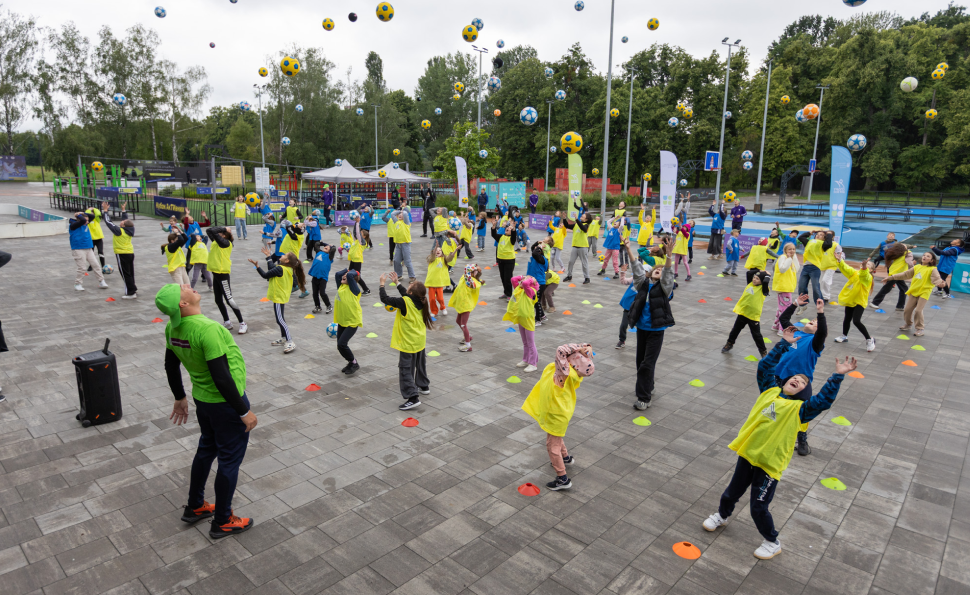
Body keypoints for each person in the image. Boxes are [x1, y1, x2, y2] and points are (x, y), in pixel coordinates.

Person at [702, 331, 855, 560]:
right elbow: (765, 367)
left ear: (804, 392)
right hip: (749, 453)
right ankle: (722, 516)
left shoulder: (800, 410)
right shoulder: (769, 391)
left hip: (769, 464)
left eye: (803, 382)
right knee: (731, 493)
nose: (798, 380)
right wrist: (783, 344)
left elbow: (823, 401)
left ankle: (772, 541)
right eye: (796, 378)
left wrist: (837, 376)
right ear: (785, 381)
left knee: (758, 507)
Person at [155, 283, 257, 539]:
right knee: (229, 461)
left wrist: (179, 396)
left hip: (204, 401)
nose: (187, 285)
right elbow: (221, 376)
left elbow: (170, 364)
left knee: (206, 449)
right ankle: (223, 520)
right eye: (182, 288)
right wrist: (243, 411)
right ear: (183, 303)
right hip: (226, 404)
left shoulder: (173, 327)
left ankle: (196, 505)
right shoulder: (208, 329)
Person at [522, 343, 595, 491]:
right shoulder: (575, 373)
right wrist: (587, 348)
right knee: (556, 436)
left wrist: (580, 347)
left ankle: (562, 479)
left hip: (556, 414)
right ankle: (566, 457)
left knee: (552, 445)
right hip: (563, 411)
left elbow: (561, 349)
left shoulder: (563, 374)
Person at [625, 238, 675, 409]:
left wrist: (669, 256)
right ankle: (649, 385)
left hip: (656, 330)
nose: (658, 270)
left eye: (661, 270)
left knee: (647, 363)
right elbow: (637, 268)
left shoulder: (664, 288)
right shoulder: (643, 283)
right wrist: (628, 249)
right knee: (641, 362)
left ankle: (644, 398)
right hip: (642, 329)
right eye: (656, 269)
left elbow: (668, 273)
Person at [775, 295, 827, 456]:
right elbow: (783, 319)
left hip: (801, 383)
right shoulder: (795, 333)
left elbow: (822, 333)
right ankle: (773, 431)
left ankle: (802, 439)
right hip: (779, 377)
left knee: (801, 412)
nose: (813, 321)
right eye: (812, 320)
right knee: (774, 406)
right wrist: (795, 304)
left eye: (816, 322)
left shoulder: (815, 342)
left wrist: (820, 313)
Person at [379, 272, 435, 410]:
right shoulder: (422, 300)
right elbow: (407, 294)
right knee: (420, 364)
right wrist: (397, 283)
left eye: (411, 285)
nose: (409, 284)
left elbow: (385, 299)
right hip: (419, 340)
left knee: (405, 369)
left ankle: (412, 397)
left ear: (411, 292)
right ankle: (424, 386)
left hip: (408, 342)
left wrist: (382, 284)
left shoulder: (405, 302)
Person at [249, 247, 306, 353]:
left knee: (280, 320)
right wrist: (268, 257)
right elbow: (272, 269)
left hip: (279, 297)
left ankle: (290, 341)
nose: (282, 255)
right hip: (281, 296)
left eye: (284, 255)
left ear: (287, 260)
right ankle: (284, 338)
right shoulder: (286, 268)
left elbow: (265, 275)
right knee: (280, 318)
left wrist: (257, 267)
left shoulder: (281, 269)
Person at [882, 251, 946, 337]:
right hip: (914, 291)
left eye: (928, 256)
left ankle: (920, 328)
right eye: (924, 255)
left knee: (918, 311)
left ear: (932, 260)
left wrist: (941, 284)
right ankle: (908, 324)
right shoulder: (916, 267)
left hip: (924, 292)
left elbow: (937, 279)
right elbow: (905, 274)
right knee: (907, 310)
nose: (925, 257)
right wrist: (891, 277)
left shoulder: (932, 269)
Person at [206, 226, 247, 334]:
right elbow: (209, 230)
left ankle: (242, 323)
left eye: (221, 233)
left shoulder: (226, 243)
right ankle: (227, 322)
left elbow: (213, 231)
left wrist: (224, 228)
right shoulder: (216, 241)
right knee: (218, 300)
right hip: (216, 273)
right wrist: (223, 229)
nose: (218, 234)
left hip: (222, 274)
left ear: (224, 235)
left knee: (229, 299)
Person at [722, 271, 771, 358]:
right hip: (743, 312)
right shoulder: (750, 284)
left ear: (762, 281)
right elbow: (749, 273)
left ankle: (763, 351)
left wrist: (767, 275)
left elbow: (766, 281)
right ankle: (729, 343)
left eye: (757, 279)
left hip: (753, 316)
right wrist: (759, 270)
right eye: (754, 277)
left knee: (756, 335)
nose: (754, 279)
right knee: (735, 330)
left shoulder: (763, 289)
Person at [833, 255, 876, 351]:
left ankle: (869, 339)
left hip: (859, 302)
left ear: (871, 270)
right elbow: (847, 269)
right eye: (865, 264)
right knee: (847, 318)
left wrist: (864, 268)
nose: (866, 265)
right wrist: (840, 260)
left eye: (868, 265)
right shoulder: (855, 273)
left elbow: (864, 276)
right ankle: (844, 336)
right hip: (851, 299)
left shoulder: (868, 277)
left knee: (856, 321)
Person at [504, 275, 540, 373]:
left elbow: (525, 283)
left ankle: (533, 364)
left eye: (525, 279)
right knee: (525, 342)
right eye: (523, 278)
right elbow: (513, 279)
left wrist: (531, 279)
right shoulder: (520, 289)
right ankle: (526, 359)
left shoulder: (530, 291)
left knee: (530, 343)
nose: (523, 280)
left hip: (528, 320)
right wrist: (523, 276)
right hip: (521, 319)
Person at [332, 268, 363, 374]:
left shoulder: (354, 290)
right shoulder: (341, 287)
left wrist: (354, 271)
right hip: (342, 321)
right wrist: (347, 269)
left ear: (352, 279)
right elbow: (337, 274)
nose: (344, 276)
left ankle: (354, 363)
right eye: (344, 275)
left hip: (352, 321)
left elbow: (350, 276)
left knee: (342, 344)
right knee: (339, 346)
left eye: (347, 275)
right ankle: (351, 362)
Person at [103, 201, 136, 299]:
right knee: (130, 273)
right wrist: (123, 211)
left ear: (124, 225)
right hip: (130, 253)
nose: (121, 222)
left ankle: (130, 293)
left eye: (122, 222)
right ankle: (133, 289)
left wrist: (105, 211)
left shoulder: (119, 231)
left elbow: (109, 222)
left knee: (125, 274)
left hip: (122, 254)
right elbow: (126, 221)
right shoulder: (130, 229)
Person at [448, 264, 484, 352]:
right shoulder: (465, 277)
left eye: (470, 272)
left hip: (466, 305)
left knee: (463, 324)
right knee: (458, 321)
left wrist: (471, 270)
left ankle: (468, 345)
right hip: (462, 304)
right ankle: (468, 337)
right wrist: (473, 268)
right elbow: (467, 272)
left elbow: (470, 281)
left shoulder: (474, 283)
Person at [69, 211, 108, 291]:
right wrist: (78, 215)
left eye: (87, 220)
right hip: (78, 249)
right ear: (79, 219)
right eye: (86, 220)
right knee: (82, 268)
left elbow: (92, 217)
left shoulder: (85, 223)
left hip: (88, 249)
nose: (87, 222)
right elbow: (83, 220)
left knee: (96, 265)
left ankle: (101, 281)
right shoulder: (73, 225)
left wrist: (82, 212)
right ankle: (78, 284)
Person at [871, 241, 912, 312]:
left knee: (904, 288)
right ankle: (874, 302)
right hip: (896, 274)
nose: (905, 246)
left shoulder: (899, 254)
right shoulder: (906, 253)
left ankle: (900, 306)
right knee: (887, 288)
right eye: (904, 245)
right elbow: (909, 261)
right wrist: (913, 267)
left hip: (897, 273)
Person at [771, 243, 800, 334]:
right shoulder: (783, 257)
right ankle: (782, 329)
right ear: (785, 250)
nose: (792, 251)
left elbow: (797, 269)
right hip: (784, 287)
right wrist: (789, 258)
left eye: (793, 249)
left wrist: (793, 257)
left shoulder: (790, 259)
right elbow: (782, 269)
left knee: (781, 307)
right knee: (786, 309)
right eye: (790, 249)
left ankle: (776, 325)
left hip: (786, 287)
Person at [425, 241, 460, 316]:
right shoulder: (431, 259)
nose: (438, 251)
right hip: (431, 282)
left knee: (440, 298)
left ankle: (443, 307)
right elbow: (432, 256)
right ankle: (434, 311)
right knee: (432, 299)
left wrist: (456, 250)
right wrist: (435, 247)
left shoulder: (444, 259)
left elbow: (450, 258)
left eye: (440, 250)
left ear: (442, 252)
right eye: (436, 250)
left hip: (439, 282)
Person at [796, 231, 827, 302]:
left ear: (824, 238)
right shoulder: (809, 242)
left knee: (815, 287)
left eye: (821, 235)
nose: (818, 235)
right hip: (806, 267)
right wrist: (809, 233)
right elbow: (801, 237)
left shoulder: (823, 244)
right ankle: (803, 303)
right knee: (801, 286)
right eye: (817, 234)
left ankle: (820, 302)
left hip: (815, 267)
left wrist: (828, 234)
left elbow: (829, 243)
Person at [562, 212, 592, 284]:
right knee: (571, 261)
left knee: (584, 263)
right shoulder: (576, 224)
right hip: (575, 246)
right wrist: (564, 218)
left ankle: (587, 277)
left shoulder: (586, 225)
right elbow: (567, 225)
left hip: (583, 247)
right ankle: (569, 275)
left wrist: (576, 219)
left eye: (583, 215)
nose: (582, 215)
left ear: (586, 219)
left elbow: (583, 228)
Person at [492, 218, 518, 299]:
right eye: (508, 227)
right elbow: (493, 234)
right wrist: (493, 226)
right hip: (501, 260)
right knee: (503, 277)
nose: (508, 228)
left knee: (508, 278)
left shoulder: (511, 239)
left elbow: (513, 235)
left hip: (509, 260)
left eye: (510, 228)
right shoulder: (501, 236)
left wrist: (513, 228)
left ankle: (509, 294)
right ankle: (506, 293)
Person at [308, 243, 336, 314]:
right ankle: (318, 306)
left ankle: (329, 306)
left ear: (330, 250)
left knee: (322, 293)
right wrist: (324, 244)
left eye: (328, 247)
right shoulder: (319, 252)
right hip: (315, 277)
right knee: (314, 293)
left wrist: (330, 246)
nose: (326, 247)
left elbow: (334, 249)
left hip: (323, 278)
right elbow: (316, 244)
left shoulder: (329, 256)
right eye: (325, 246)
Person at [83, 205, 106, 271]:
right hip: (91, 239)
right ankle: (91, 265)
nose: (91, 213)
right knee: (91, 253)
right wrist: (89, 209)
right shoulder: (87, 221)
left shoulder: (97, 220)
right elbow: (86, 214)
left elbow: (98, 213)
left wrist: (94, 208)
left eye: (93, 212)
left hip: (99, 238)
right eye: (90, 213)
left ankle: (103, 266)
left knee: (100, 252)